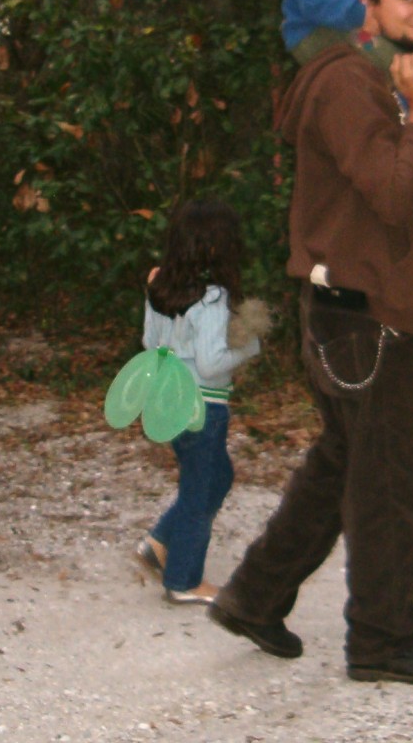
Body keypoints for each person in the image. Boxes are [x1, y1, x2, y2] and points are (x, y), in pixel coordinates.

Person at [208, 0, 413, 684]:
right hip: (361, 316)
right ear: (368, 4)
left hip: (347, 309)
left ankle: (254, 597)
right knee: (392, 481)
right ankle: (383, 642)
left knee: (342, 463)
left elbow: (382, 192)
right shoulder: (351, 83)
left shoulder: (369, 77)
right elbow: (392, 194)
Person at [136, 197, 263, 605]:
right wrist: (249, 347)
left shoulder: (159, 283)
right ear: (217, 247)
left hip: (170, 401)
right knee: (200, 488)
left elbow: (149, 343)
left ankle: (160, 544)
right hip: (204, 407)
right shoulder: (212, 298)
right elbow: (211, 364)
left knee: (215, 477)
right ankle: (184, 579)